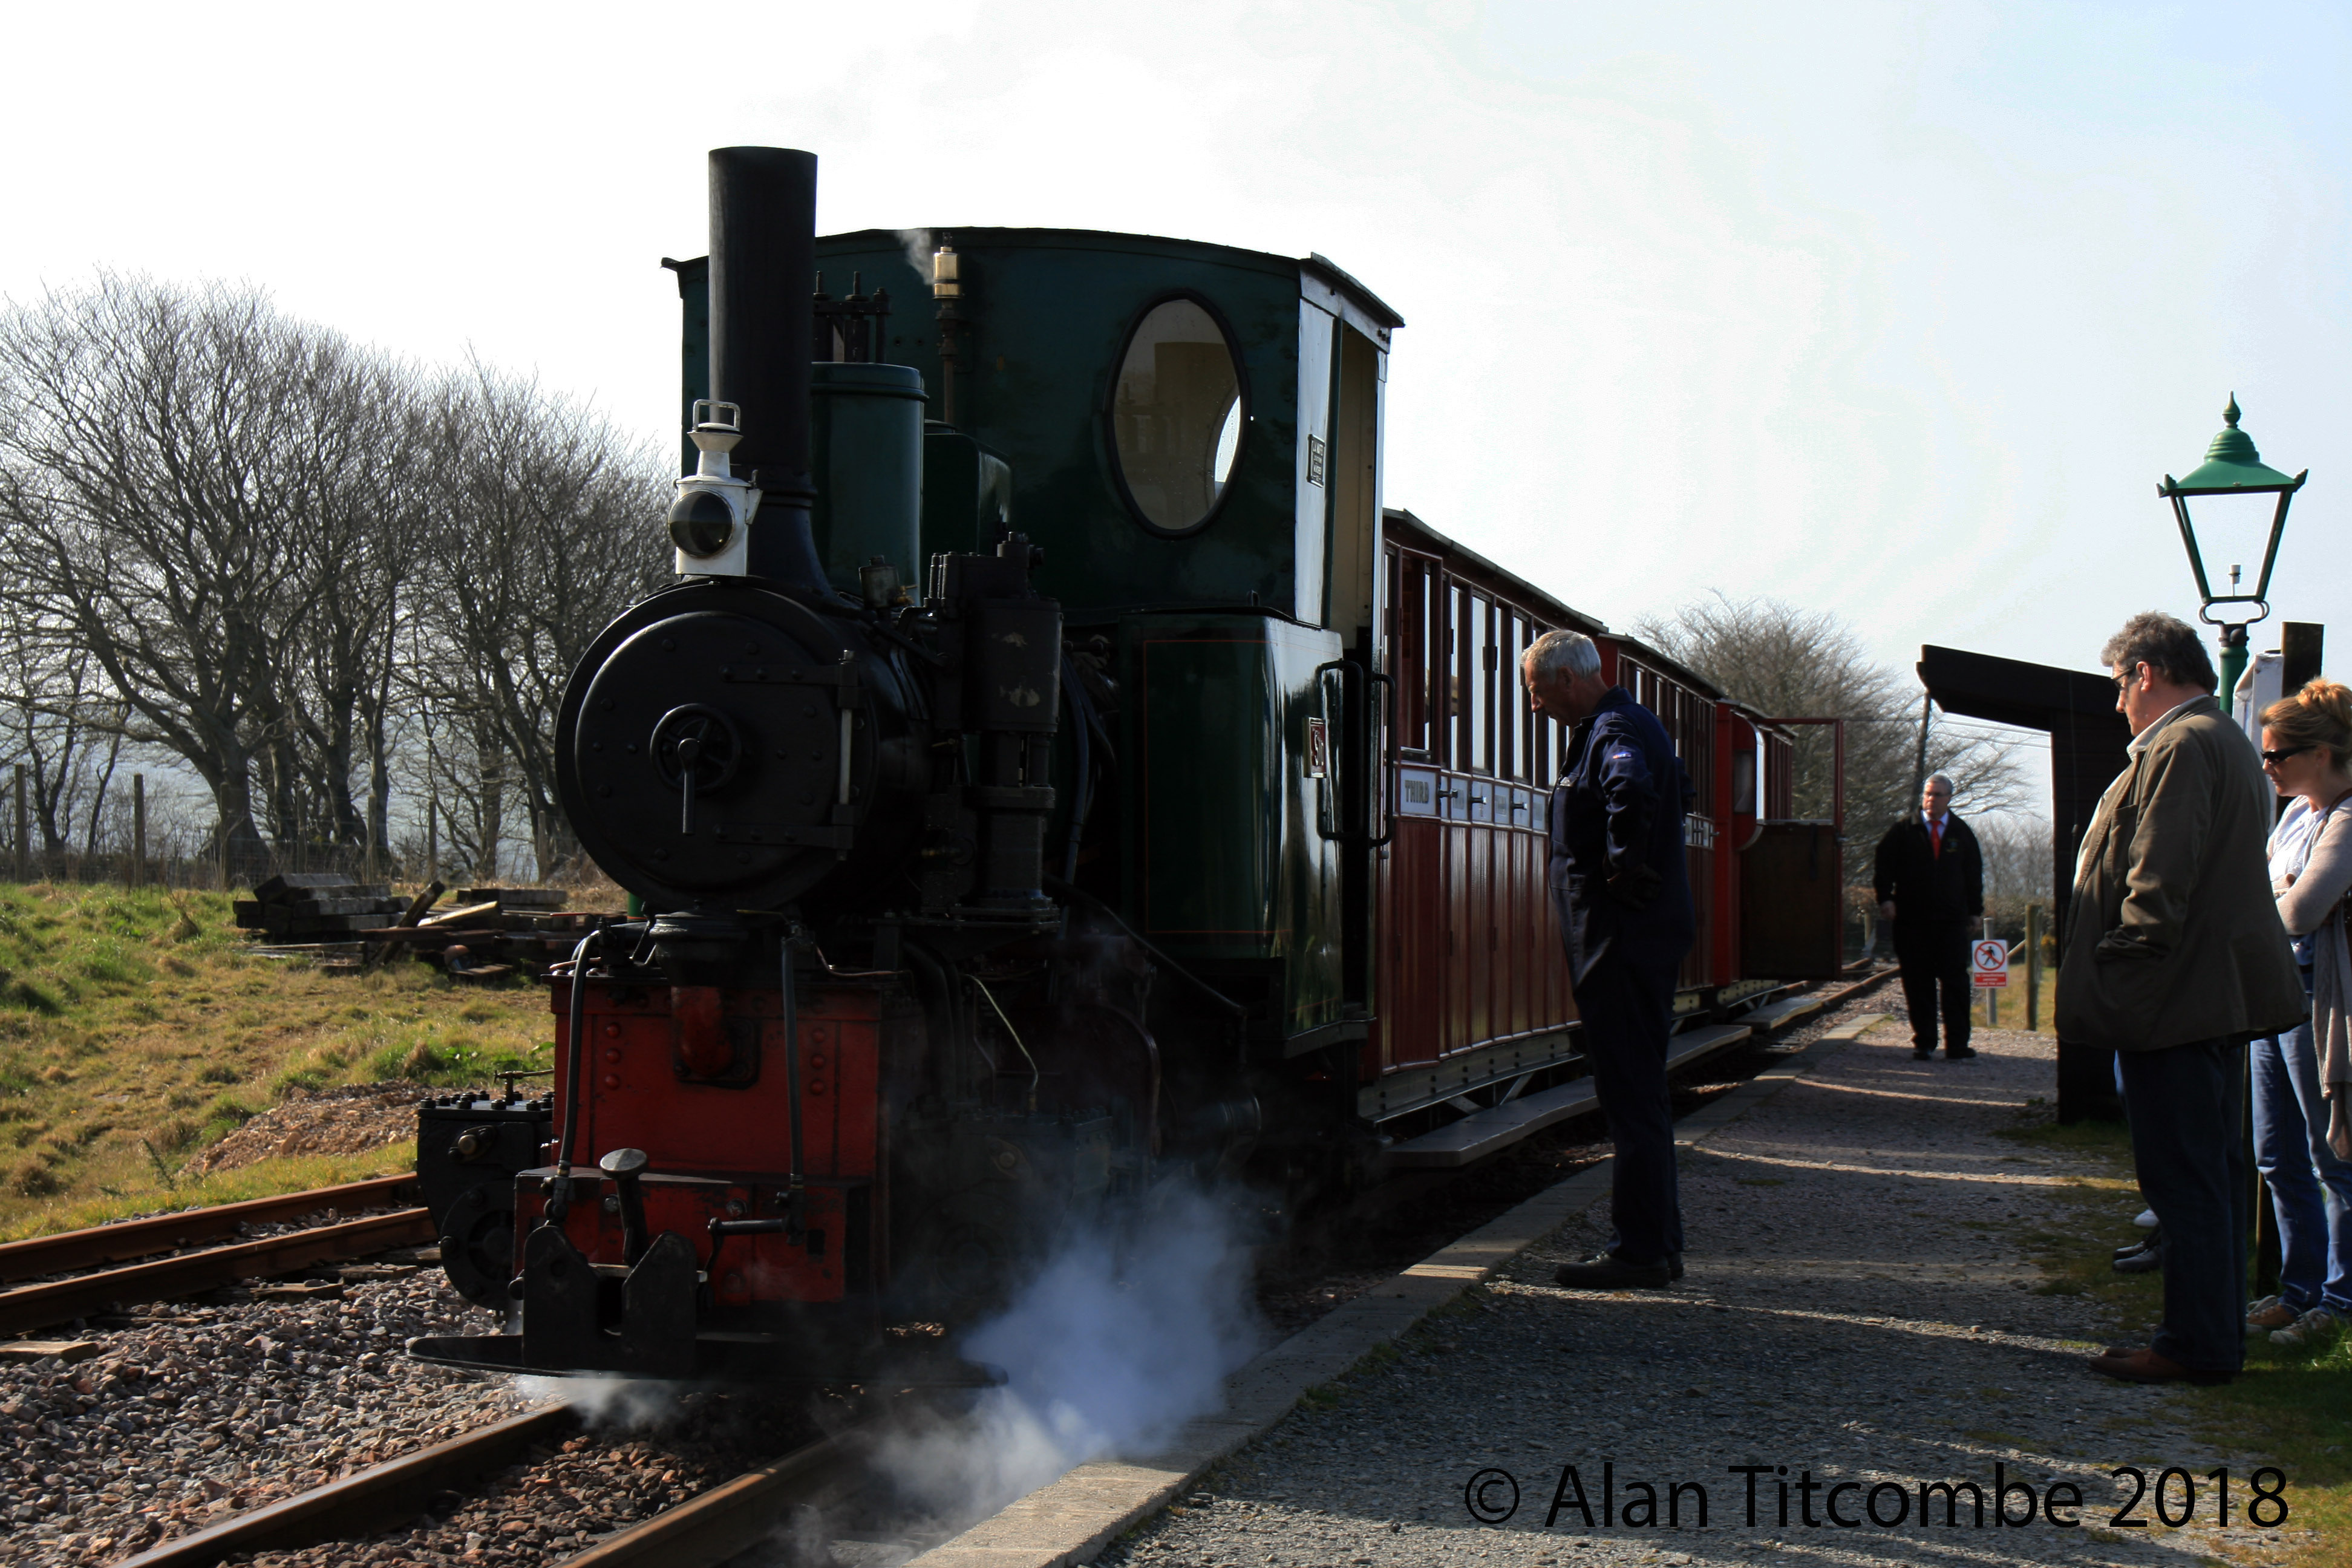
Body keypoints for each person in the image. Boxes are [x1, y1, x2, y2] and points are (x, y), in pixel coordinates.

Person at [2058, 612, 2305, 1385]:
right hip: (2201, 994)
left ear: (2146, 672)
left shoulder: (2182, 744)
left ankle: (2195, 1347)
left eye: (2119, 685)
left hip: (2173, 998)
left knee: (2184, 1180)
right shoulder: (2217, 739)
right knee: (2210, 1176)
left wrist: (2125, 959)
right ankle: (2210, 1340)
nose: (2118, 704)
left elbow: (2161, 872)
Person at [1523, 629, 1697, 1290]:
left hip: (1618, 941)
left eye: (1537, 691)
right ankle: (1659, 1244)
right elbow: (1679, 789)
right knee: (1641, 1092)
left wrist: (1624, 867)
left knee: (1629, 1096)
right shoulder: (1632, 724)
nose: (1535, 706)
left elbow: (1632, 789)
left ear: (1568, 679)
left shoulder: (1612, 730)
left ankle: (1641, 1252)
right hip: (1629, 939)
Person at [2243, 679, 2352, 1352]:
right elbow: (2270, 895)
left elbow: (2299, 911)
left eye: (2277, 756)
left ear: (2321, 754)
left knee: (2330, 1153)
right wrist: (2278, 893)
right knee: (2275, 1151)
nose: (2268, 768)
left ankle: (2338, 1302)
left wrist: (2276, 896)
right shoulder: (2294, 818)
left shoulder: (2347, 817)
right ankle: (2299, 1290)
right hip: (2276, 992)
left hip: (2319, 999)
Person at [1872, 774, 1986, 1061]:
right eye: (1928, 794)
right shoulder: (1903, 830)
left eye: (1937, 795)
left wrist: (1975, 911)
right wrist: (1885, 898)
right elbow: (1883, 866)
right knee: (1918, 981)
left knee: (1955, 981)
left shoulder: (1961, 832)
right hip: (1912, 920)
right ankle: (1924, 1042)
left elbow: (1973, 874)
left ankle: (1957, 1044)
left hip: (1951, 920)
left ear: (1949, 798)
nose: (1931, 800)